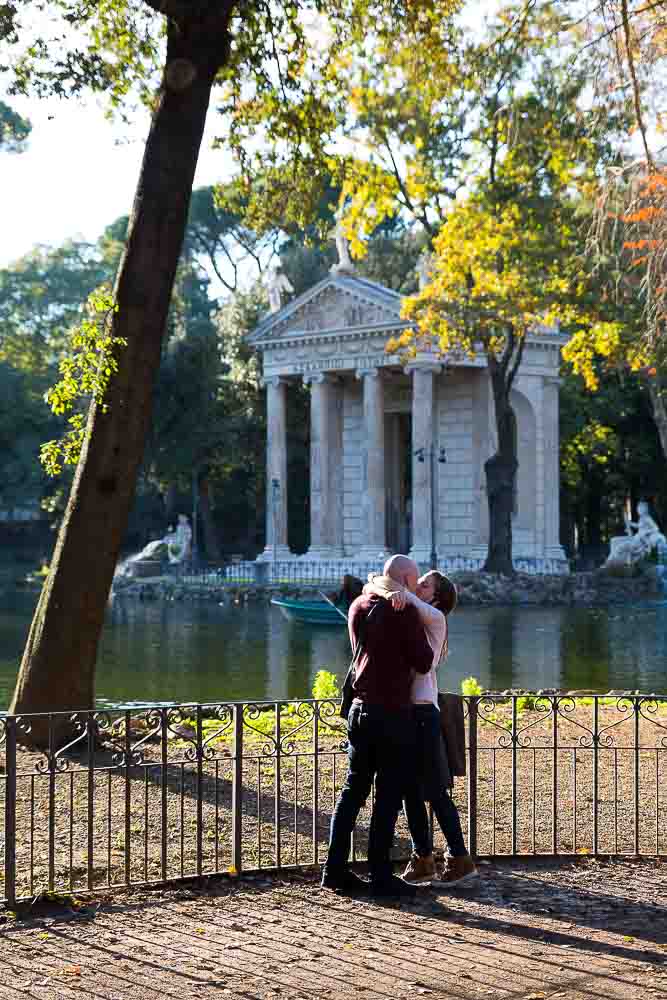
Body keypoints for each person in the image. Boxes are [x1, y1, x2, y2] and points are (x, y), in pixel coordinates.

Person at [321, 555, 434, 898]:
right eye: (414, 583)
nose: (416, 590)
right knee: (387, 796)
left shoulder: (358, 605)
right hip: (392, 713)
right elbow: (424, 661)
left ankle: (334, 870)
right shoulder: (404, 612)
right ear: (403, 579)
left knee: (352, 791)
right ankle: (380, 875)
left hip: (359, 709)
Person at [365, 570, 478, 888]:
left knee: (435, 792)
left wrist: (388, 588)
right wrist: (381, 586)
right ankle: (423, 859)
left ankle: (460, 858)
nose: (417, 587)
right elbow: (381, 585)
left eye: (424, 584)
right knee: (409, 791)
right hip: (406, 711)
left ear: (436, 596)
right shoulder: (413, 614)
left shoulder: (435, 617)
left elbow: (401, 592)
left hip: (425, 713)